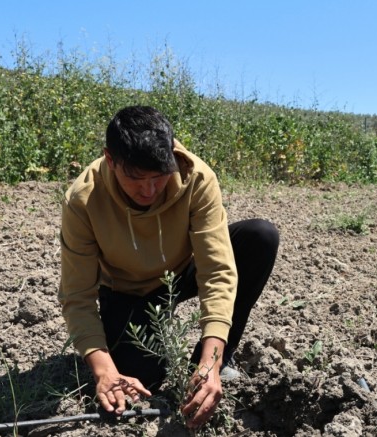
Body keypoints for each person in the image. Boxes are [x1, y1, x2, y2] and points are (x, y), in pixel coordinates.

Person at [58, 105, 279, 429]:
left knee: (260, 237)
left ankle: (205, 371)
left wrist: (211, 359)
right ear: (110, 159)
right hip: (125, 290)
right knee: (139, 382)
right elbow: (77, 295)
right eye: (136, 179)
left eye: (159, 177)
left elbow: (217, 271)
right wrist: (104, 370)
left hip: (179, 273)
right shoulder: (83, 199)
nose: (149, 190)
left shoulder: (197, 178)